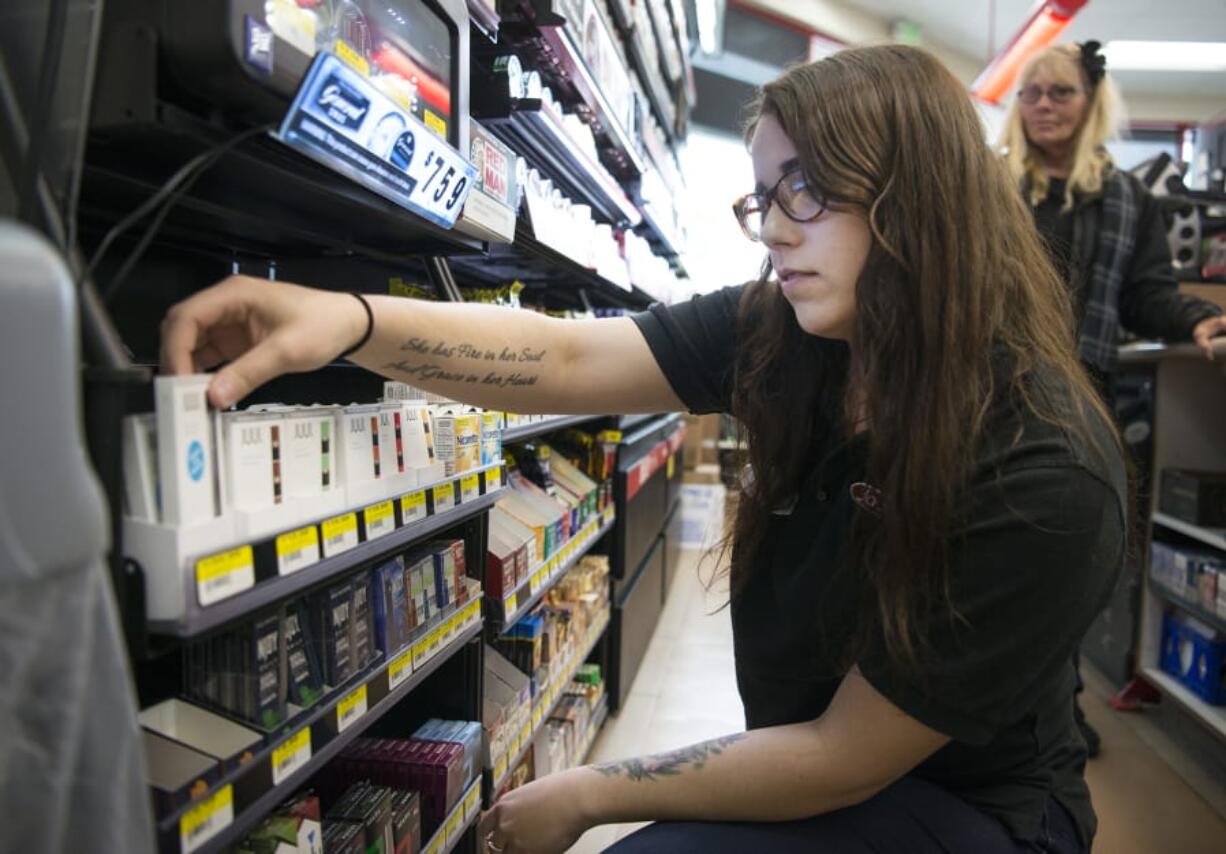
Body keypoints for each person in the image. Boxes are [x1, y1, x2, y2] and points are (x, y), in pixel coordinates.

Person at [163, 46, 1129, 854]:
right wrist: (350, 319)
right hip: (830, 756)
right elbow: (570, 352)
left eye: (807, 188)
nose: (776, 232)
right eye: (762, 196)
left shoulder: (1042, 466)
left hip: (976, 807)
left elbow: (844, 756)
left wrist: (592, 790)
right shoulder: (792, 330)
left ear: (922, 197)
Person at [998, 41, 1226, 757]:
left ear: (1091, 101)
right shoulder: (990, 184)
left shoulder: (1128, 197)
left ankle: (1054, 706)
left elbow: (1145, 292)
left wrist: (1193, 316)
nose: (1043, 105)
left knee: (1066, 555)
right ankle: (988, 705)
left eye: (1060, 92)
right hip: (989, 385)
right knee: (991, 547)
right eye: (1032, 93)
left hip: (1079, 394)